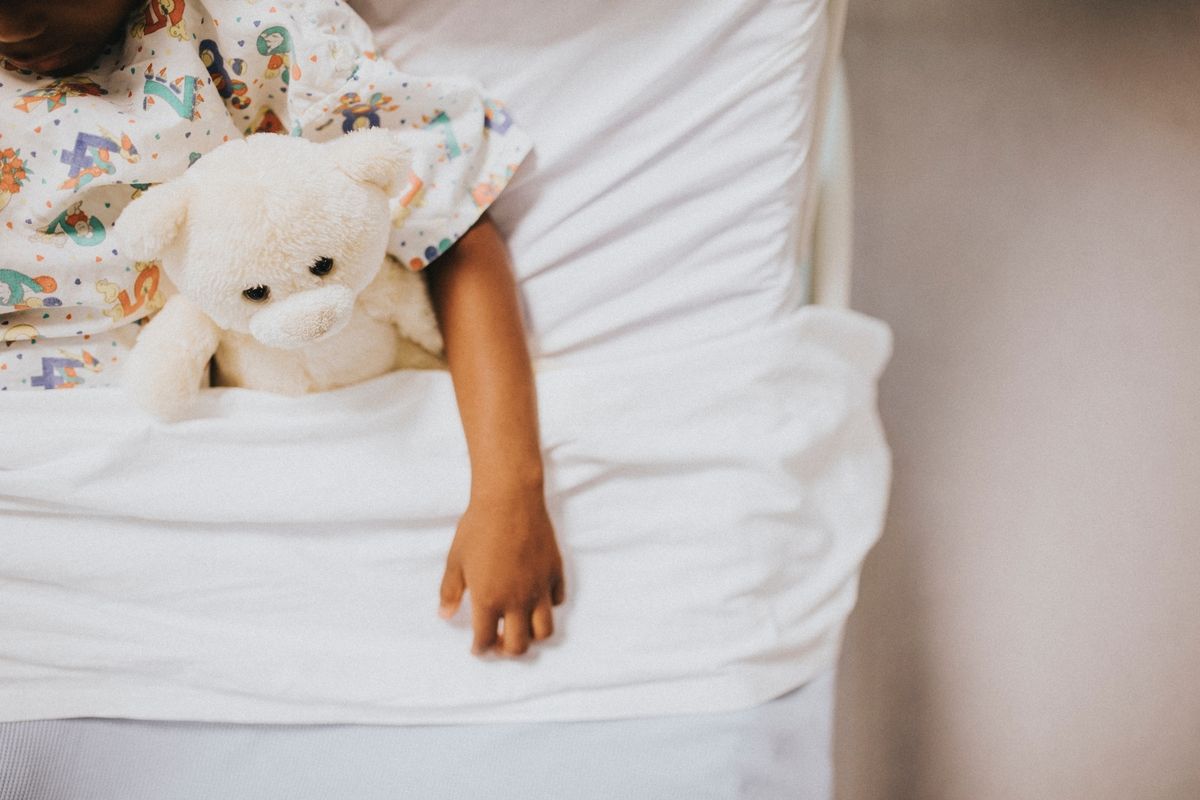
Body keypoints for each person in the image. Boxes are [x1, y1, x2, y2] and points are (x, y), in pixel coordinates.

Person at [0, 0, 564, 658]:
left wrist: (507, 489)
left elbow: (447, 222)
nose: (14, 25)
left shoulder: (255, 31)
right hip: (56, 477)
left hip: (291, 439)